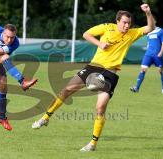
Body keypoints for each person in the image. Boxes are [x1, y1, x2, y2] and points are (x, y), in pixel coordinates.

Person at [32, 4, 155, 151]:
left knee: (100, 108)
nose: (127, 25)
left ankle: (92, 144)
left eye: (129, 23)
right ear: (117, 21)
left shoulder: (132, 33)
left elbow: (151, 28)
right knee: (66, 90)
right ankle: (45, 118)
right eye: (124, 22)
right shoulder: (107, 27)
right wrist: (100, 43)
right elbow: (86, 34)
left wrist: (148, 13)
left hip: (110, 73)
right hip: (93, 67)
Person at [130, 18, 163, 94]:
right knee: (143, 69)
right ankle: (137, 88)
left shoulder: (160, 31)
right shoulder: (148, 33)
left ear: (155, 21)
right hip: (148, 54)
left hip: (157, 55)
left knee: (160, 71)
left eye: (152, 20)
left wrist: (161, 52)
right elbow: (149, 43)